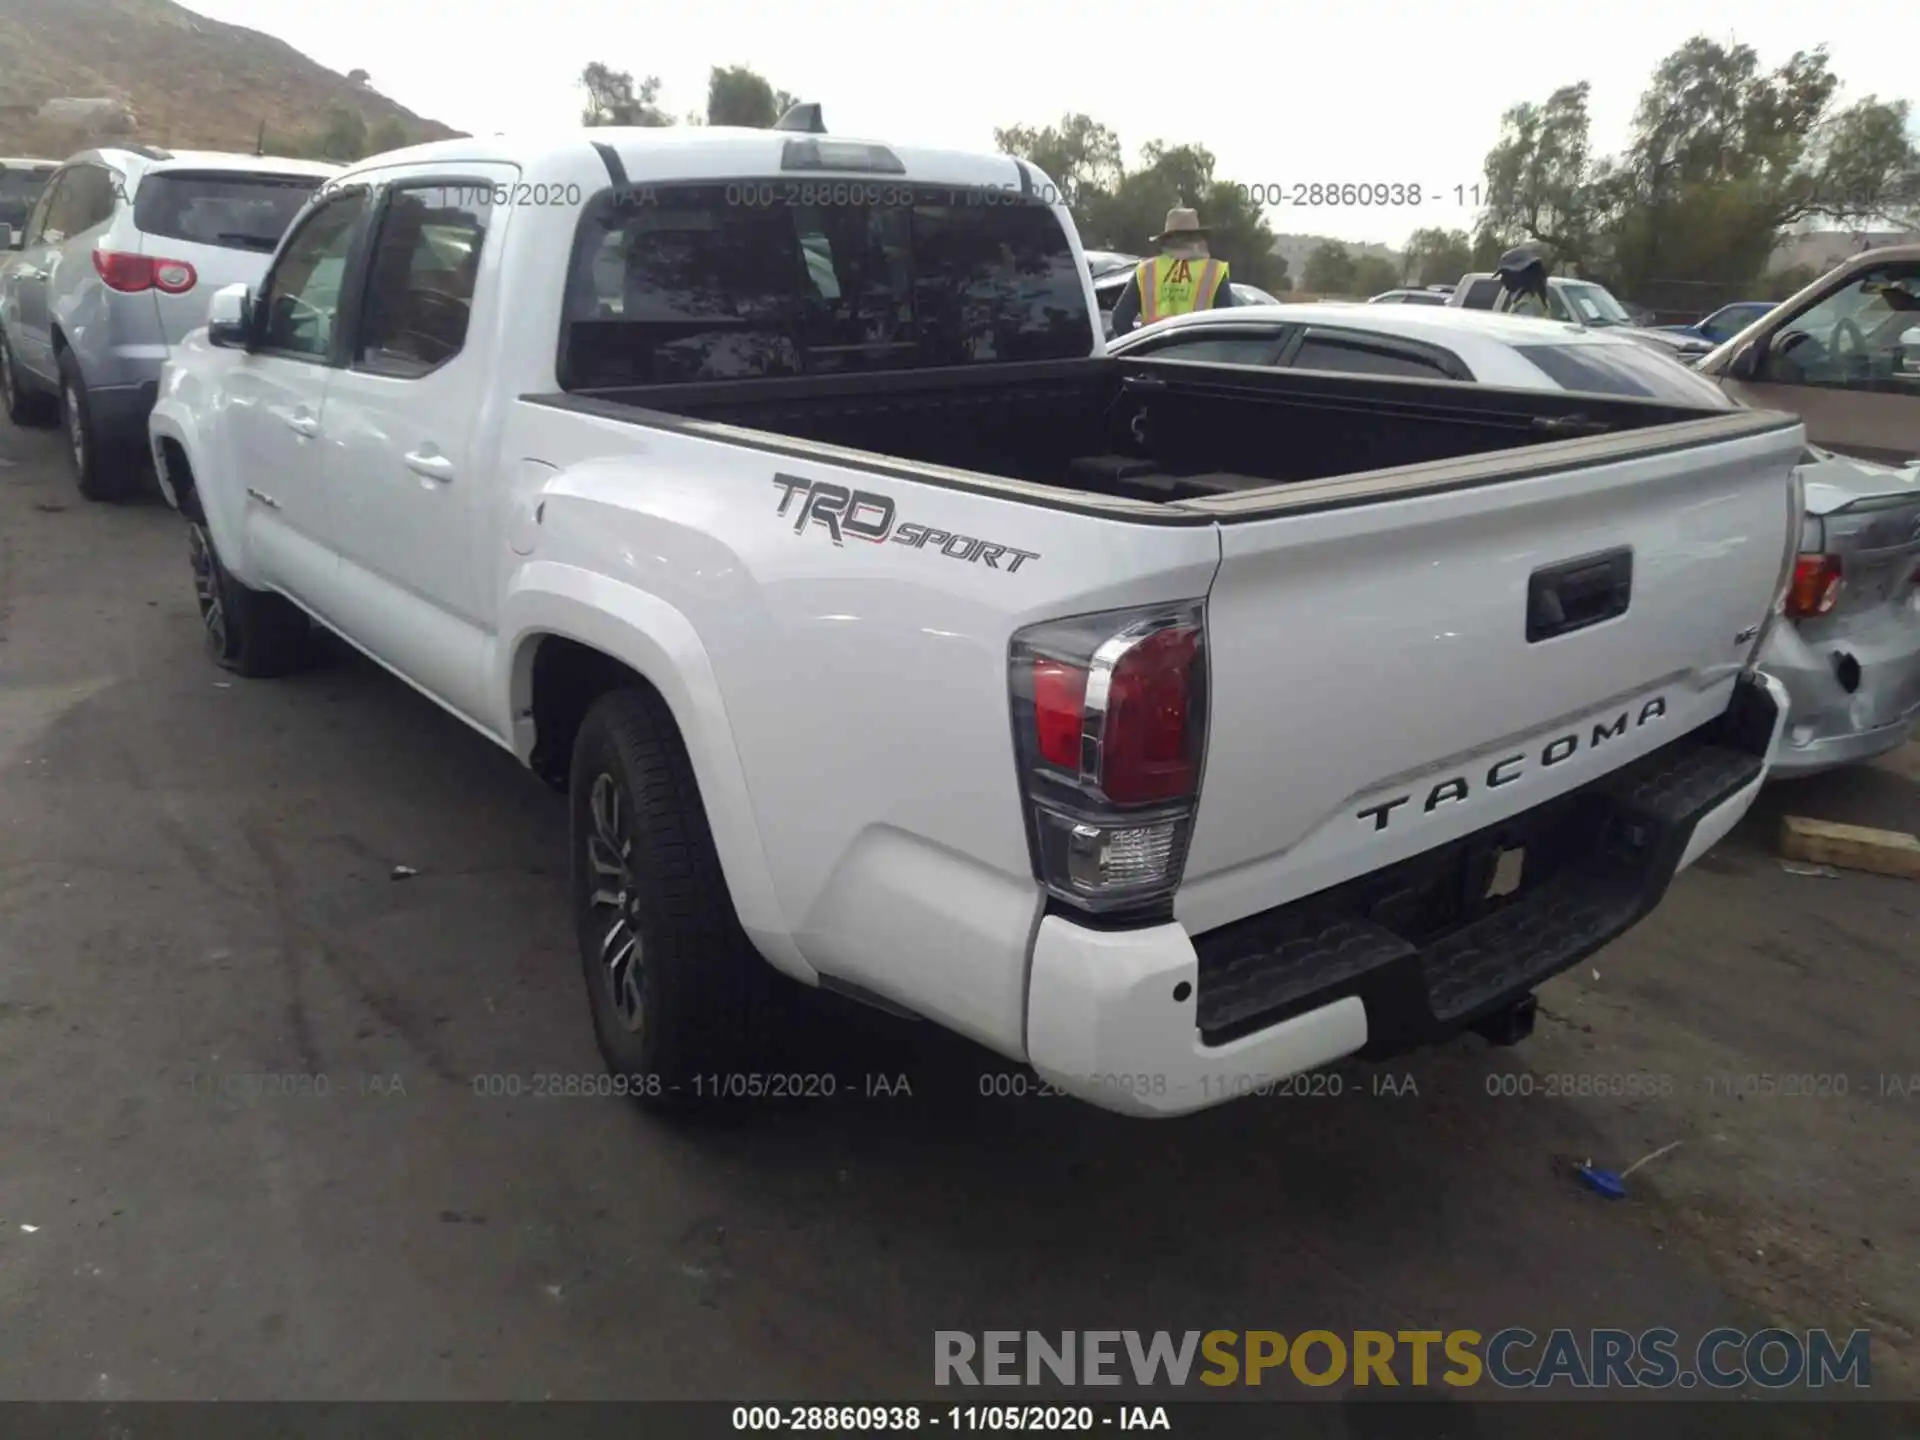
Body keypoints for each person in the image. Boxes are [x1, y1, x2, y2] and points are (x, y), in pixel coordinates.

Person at [1107, 205, 1236, 334]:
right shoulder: (1213, 271)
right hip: (1199, 352)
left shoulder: (1146, 270)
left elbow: (1120, 320)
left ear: (1166, 240)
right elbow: (1226, 325)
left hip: (1154, 351)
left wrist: (1139, 347)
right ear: (1197, 239)